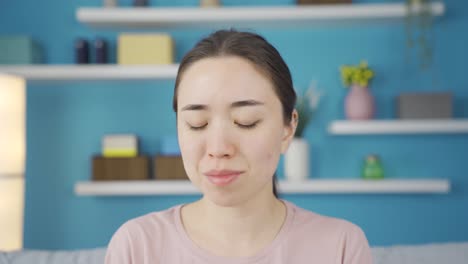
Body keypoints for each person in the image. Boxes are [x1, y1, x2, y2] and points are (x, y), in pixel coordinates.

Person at [104, 29, 373, 264]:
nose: (218, 148)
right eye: (197, 124)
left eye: (246, 122)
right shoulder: (136, 246)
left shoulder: (341, 246)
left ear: (287, 129)